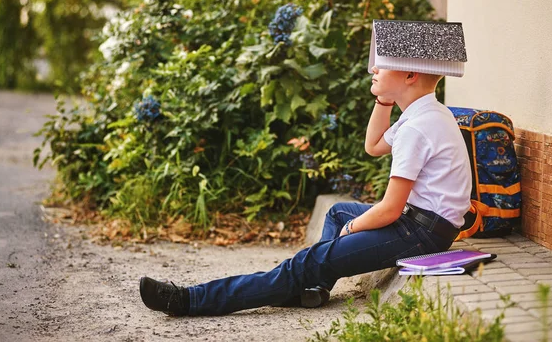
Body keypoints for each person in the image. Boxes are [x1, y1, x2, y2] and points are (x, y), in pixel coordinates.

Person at [138, 20, 472, 317]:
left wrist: (354, 228)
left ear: (410, 74)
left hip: (419, 234)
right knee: (338, 213)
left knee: (307, 260)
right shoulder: (425, 114)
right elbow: (374, 147)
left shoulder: (417, 128)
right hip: (421, 224)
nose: (373, 69)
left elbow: (388, 210)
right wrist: (384, 99)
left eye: (381, 66)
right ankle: (314, 289)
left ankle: (189, 299)